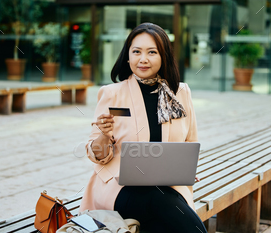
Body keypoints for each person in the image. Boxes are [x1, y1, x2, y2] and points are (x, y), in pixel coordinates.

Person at [79, 22, 207, 233]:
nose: (143, 59)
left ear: (163, 56)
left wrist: (185, 168)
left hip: (167, 187)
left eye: (152, 52)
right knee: (161, 204)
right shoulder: (112, 93)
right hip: (120, 187)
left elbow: (190, 141)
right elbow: (96, 155)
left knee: (160, 216)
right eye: (136, 51)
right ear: (127, 56)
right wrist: (103, 134)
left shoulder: (180, 93)